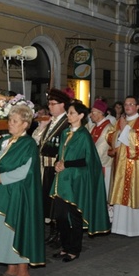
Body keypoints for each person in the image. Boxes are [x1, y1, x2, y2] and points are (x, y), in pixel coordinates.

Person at [0, 104, 44, 276]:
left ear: (25, 124)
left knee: (17, 228)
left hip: (18, 193)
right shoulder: (3, 141)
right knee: (3, 230)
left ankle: (23, 272)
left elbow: (26, 170)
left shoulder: (29, 144)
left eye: (15, 121)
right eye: (9, 120)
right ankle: (10, 267)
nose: (10, 124)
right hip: (0, 193)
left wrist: (2, 177)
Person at [50, 102, 110, 262]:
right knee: (60, 216)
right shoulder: (65, 133)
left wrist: (66, 164)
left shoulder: (84, 135)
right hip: (63, 178)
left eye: (71, 113)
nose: (68, 116)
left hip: (76, 179)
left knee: (75, 215)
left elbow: (87, 159)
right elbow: (61, 153)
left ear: (81, 116)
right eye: (68, 113)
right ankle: (64, 246)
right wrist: (58, 163)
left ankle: (74, 249)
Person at [107, 96, 139, 237]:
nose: (127, 106)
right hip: (120, 165)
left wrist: (125, 129)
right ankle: (119, 227)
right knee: (120, 194)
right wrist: (119, 132)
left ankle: (136, 229)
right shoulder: (119, 121)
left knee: (134, 194)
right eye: (125, 104)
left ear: (137, 107)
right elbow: (110, 137)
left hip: (135, 167)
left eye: (131, 104)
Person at [31, 88, 71, 245]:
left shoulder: (67, 122)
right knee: (48, 201)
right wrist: (41, 128)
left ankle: (60, 232)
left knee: (57, 201)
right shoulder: (50, 121)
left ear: (63, 105)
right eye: (49, 104)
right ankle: (53, 231)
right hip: (44, 167)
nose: (50, 107)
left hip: (56, 167)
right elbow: (36, 141)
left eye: (53, 104)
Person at [88, 99, 115, 220]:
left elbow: (101, 149)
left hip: (104, 166)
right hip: (94, 165)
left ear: (100, 113)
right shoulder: (94, 127)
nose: (91, 115)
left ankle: (106, 218)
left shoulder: (108, 128)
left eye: (93, 112)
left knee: (105, 192)